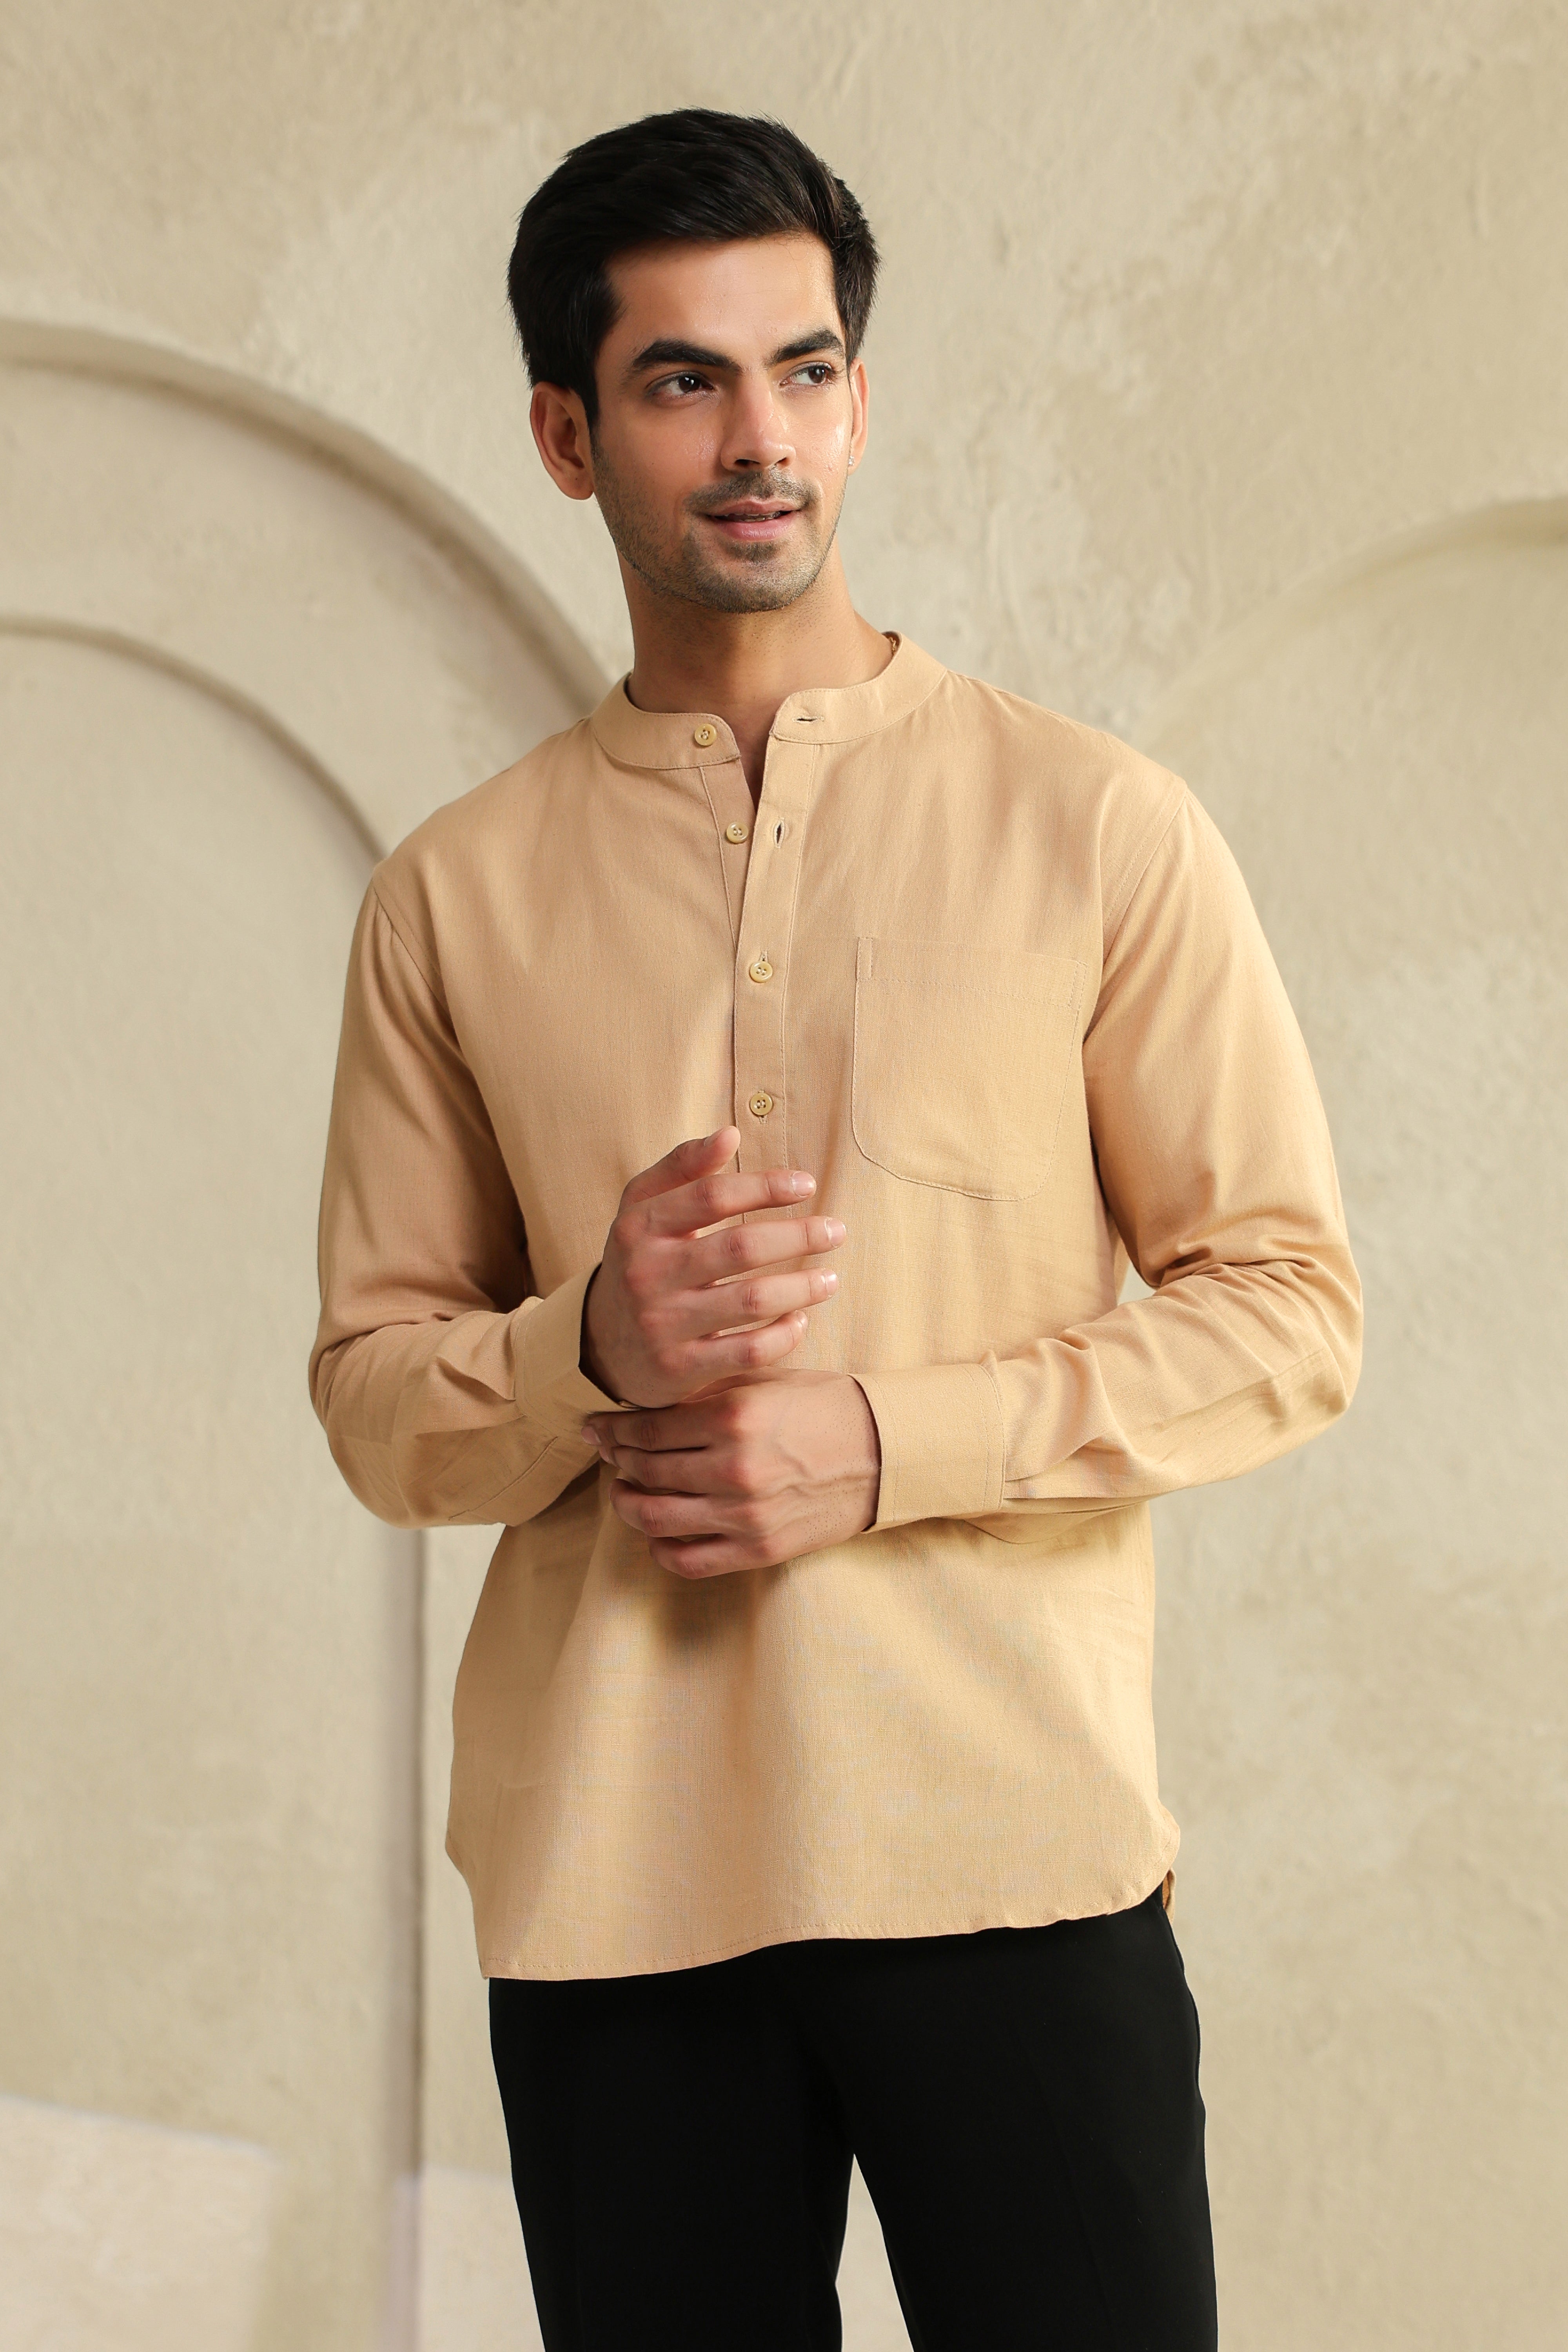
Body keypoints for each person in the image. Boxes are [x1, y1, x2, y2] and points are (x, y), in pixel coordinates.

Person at [309, 108, 1361, 2352]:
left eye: (803, 371)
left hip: (1013, 1846)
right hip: (614, 1886)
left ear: (861, 400)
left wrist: (883, 1445)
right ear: (567, 436)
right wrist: (591, 1346)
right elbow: (380, 1409)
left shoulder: (1097, 828)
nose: (760, 440)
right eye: (684, 381)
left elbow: (1288, 1311)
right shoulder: (452, 897)